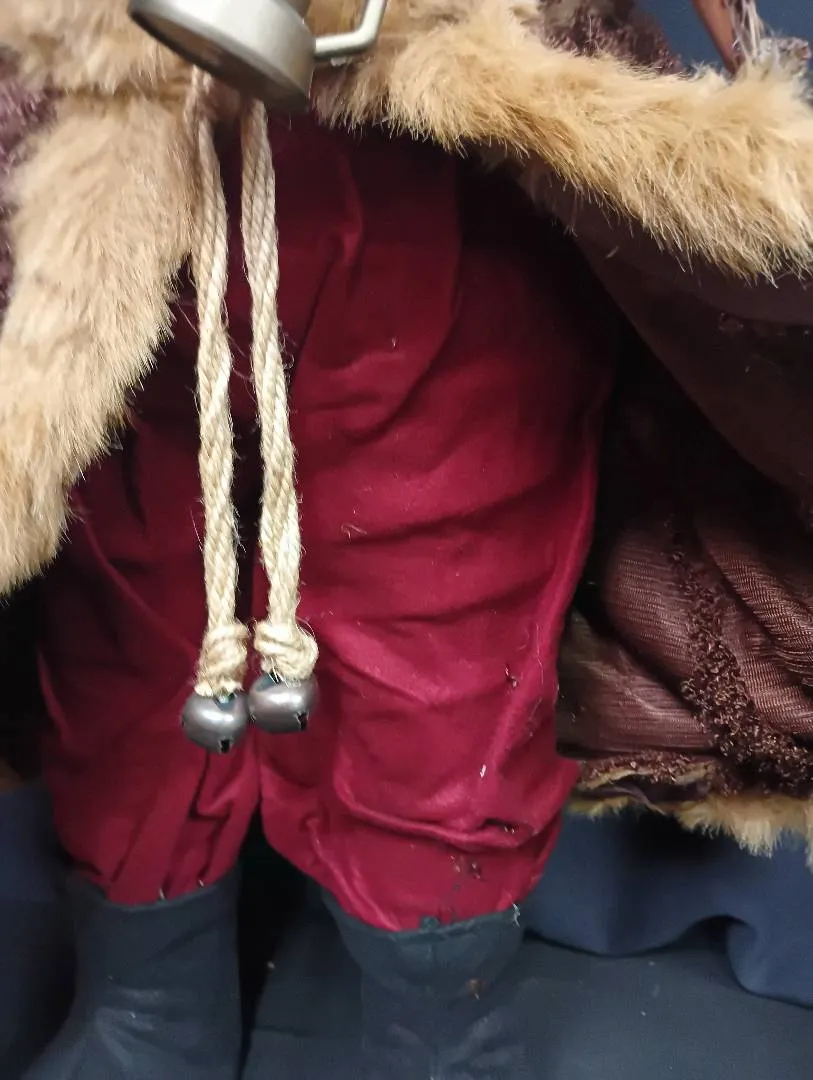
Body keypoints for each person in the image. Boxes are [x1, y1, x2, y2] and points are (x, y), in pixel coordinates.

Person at [0, 2, 810, 1078]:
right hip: (118, 160)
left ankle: (441, 1032)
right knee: (128, 621)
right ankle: (149, 1005)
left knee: (446, 628)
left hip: (425, 137)